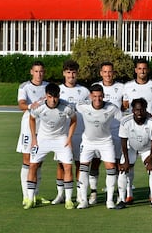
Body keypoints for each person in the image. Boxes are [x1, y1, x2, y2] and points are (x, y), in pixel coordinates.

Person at [23, 83, 77, 210]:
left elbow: (74, 120)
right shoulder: (39, 107)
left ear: (59, 95)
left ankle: (68, 200)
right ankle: (31, 199)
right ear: (46, 96)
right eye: (50, 97)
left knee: (68, 167)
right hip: (42, 139)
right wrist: (34, 138)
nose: (53, 100)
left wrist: (69, 138)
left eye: (55, 97)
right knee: (33, 166)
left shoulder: (66, 107)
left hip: (61, 139)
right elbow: (31, 119)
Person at [122, 58, 152, 204]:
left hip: (149, 130)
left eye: (144, 68)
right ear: (135, 70)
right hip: (132, 130)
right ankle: (129, 193)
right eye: (139, 68)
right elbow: (125, 106)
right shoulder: (127, 86)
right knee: (129, 164)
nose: (142, 71)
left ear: (148, 70)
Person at [76, 84, 122, 209]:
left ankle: (110, 200)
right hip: (88, 142)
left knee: (111, 168)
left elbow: (123, 121)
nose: (97, 99)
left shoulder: (112, 108)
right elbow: (67, 108)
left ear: (103, 96)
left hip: (105, 142)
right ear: (91, 96)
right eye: (95, 96)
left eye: (100, 96)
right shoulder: (82, 106)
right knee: (83, 168)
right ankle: (84, 200)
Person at [51, 60, 90, 205]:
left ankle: (80, 194)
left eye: (73, 72)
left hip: (81, 133)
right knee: (62, 164)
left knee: (81, 164)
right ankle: (61, 194)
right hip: (62, 134)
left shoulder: (85, 91)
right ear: (63, 73)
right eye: (68, 72)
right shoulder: (58, 90)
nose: (71, 75)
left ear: (77, 74)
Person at [88, 62, 124, 205]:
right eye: (105, 72)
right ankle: (93, 192)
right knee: (95, 162)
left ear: (113, 73)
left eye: (110, 72)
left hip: (116, 131)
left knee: (114, 163)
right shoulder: (95, 87)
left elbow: (126, 106)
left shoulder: (121, 87)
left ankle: (115, 193)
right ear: (100, 73)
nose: (107, 74)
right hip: (99, 132)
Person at [116, 98, 152, 210]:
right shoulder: (125, 121)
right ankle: (123, 199)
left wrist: (151, 159)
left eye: (141, 110)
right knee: (123, 171)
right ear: (132, 110)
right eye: (136, 110)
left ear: (146, 110)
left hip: (147, 148)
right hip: (130, 148)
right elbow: (123, 141)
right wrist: (126, 161)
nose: (139, 113)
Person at [16, 61, 49, 206]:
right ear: (31, 72)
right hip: (28, 126)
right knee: (27, 160)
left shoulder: (48, 86)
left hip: (44, 127)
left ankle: (34, 194)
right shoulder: (25, 87)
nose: (39, 74)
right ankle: (26, 196)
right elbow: (21, 104)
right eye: (36, 71)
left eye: (41, 71)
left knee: (38, 162)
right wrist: (31, 106)